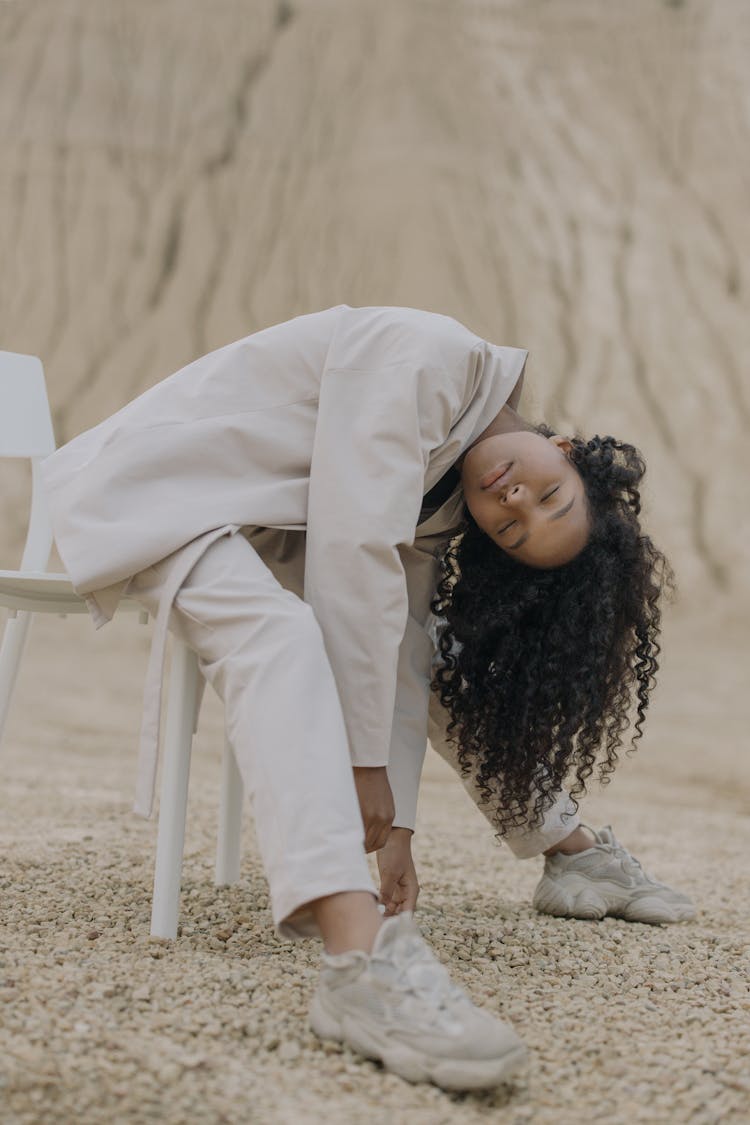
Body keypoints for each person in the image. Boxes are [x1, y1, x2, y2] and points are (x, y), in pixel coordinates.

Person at [40, 304, 691, 1091]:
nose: (516, 501)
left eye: (514, 530)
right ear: (564, 450)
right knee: (281, 640)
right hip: (158, 491)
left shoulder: (453, 487)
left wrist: (398, 830)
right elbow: (352, 547)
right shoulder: (427, 359)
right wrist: (363, 761)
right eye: (547, 494)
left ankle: (571, 851)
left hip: (249, 523)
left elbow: (404, 641)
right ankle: (361, 964)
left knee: (425, 654)